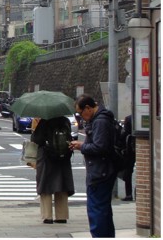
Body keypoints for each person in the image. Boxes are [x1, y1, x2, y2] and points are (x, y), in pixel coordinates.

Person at [69, 95, 117, 238]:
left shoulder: (100, 121)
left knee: (97, 210)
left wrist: (81, 146)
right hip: (104, 169)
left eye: (81, 112)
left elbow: (99, 147)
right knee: (103, 209)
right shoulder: (101, 119)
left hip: (100, 171)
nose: (81, 116)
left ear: (88, 108)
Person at [30, 116, 75, 224]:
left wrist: (34, 132)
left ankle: (47, 216)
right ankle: (62, 215)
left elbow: (37, 139)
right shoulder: (65, 121)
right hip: (63, 157)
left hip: (46, 156)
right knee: (62, 185)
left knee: (45, 185)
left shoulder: (45, 121)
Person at [120, 114, 136, 201]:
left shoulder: (128, 118)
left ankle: (129, 194)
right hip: (138, 148)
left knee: (128, 172)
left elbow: (125, 134)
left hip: (129, 149)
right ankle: (138, 191)